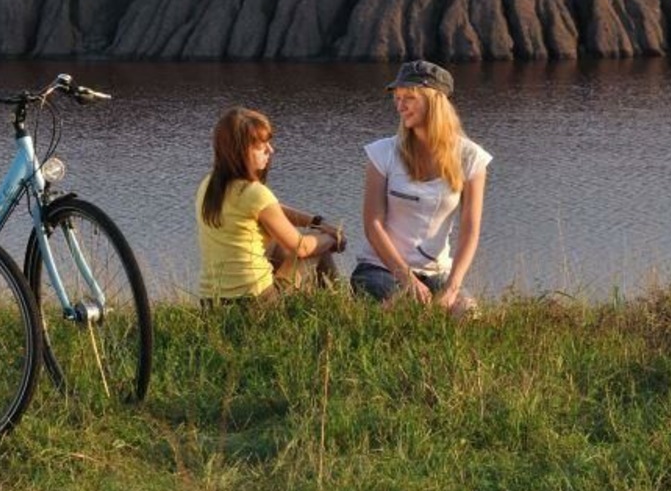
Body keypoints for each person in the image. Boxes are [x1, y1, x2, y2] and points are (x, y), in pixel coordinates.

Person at [351, 60, 491, 311]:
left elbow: (470, 231)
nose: (400, 106)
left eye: (409, 98)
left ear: (434, 101)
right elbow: (373, 225)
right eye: (397, 98)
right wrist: (407, 278)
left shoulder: (471, 158)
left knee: (468, 313)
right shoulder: (382, 153)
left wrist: (452, 287)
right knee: (405, 307)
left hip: (437, 272)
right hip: (380, 268)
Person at [196, 107, 344, 304]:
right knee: (316, 247)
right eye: (261, 146)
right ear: (241, 151)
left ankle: (323, 304)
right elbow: (302, 248)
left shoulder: (208, 186)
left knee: (276, 242)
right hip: (256, 303)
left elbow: (271, 210)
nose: (270, 150)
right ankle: (339, 306)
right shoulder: (255, 193)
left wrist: (316, 222)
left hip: (211, 302)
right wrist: (330, 238)